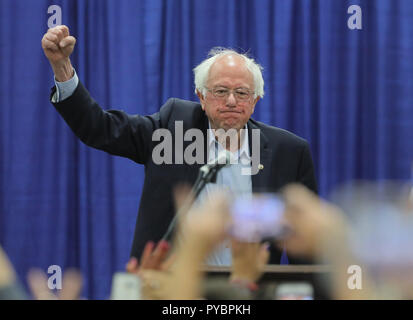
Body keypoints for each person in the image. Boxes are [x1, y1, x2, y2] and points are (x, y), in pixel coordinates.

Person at [41, 25, 317, 265]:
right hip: (176, 287)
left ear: (256, 100)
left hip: (250, 289)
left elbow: (305, 244)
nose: (232, 101)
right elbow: (100, 129)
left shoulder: (288, 152)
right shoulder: (175, 130)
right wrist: (62, 69)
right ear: (202, 97)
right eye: (221, 91)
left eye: (242, 93)